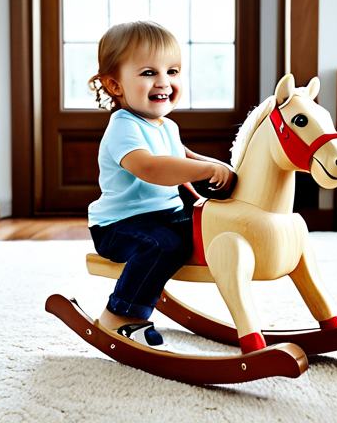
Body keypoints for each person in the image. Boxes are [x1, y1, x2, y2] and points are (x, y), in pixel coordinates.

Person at [87, 21, 235, 349]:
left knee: (208, 227)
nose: (164, 82)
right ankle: (120, 314)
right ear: (115, 85)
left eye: (173, 71)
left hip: (164, 214)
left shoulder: (166, 126)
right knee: (161, 245)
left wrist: (215, 167)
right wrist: (202, 168)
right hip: (119, 225)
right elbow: (150, 167)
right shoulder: (123, 126)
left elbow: (181, 155)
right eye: (148, 73)